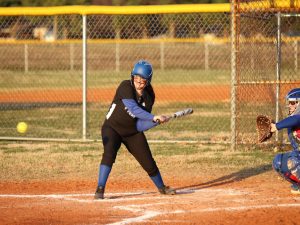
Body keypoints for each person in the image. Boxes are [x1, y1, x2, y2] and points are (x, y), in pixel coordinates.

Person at [94, 60, 176, 199]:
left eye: (142, 78)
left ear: (148, 80)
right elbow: (134, 109)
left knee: (148, 161)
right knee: (109, 153)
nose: (138, 81)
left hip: (132, 131)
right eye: (136, 77)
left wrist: (155, 122)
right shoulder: (125, 86)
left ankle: (162, 187)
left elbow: (140, 124)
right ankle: (100, 189)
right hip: (112, 127)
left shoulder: (149, 95)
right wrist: (153, 117)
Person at [271, 88, 300, 194]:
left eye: (293, 103)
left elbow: (297, 119)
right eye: (289, 103)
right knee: (278, 162)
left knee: (294, 158)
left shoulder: (297, 118)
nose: (290, 106)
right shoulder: (293, 119)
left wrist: (276, 126)